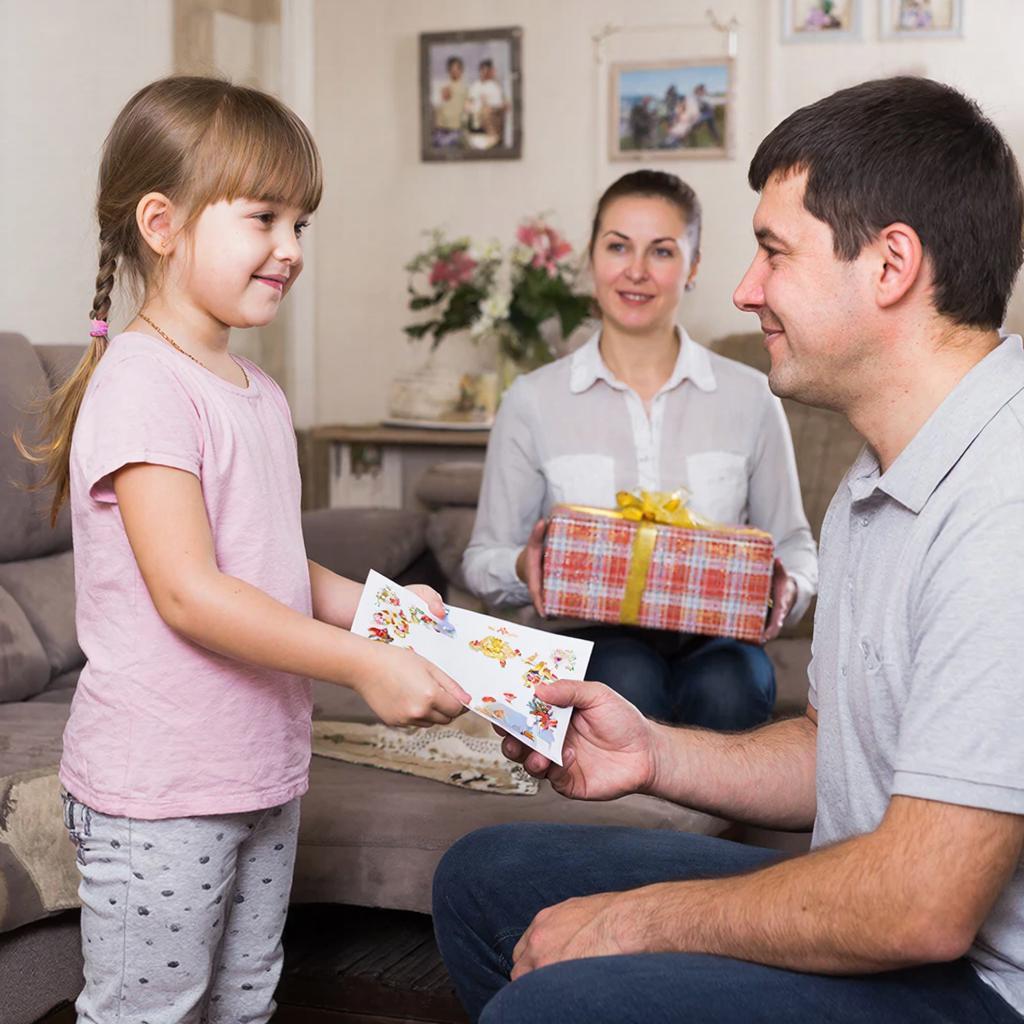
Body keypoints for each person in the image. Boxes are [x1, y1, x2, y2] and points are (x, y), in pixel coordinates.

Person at [435, 76, 1024, 1023]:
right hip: (879, 894)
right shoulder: (877, 479)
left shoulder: (1004, 497)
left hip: (980, 984)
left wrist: (635, 924)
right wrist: (652, 755)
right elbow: (841, 750)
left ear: (891, 265)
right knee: (485, 876)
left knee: (550, 1002)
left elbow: (923, 904)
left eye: (772, 253)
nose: (746, 291)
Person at [18, 76, 468, 1023]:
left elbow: (266, 566)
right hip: (161, 785)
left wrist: (386, 612)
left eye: (302, 223)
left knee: (244, 999)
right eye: (264, 217)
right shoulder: (142, 386)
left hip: (260, 764)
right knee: (152, 1011)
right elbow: (190, 594)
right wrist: (361, 665)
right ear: (161, 221)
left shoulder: (255, 391)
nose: (291, 249)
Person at [463, 169, 817, 730]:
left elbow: (796, 546)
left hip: (717, 639)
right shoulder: (532, 400)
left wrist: (788, 585)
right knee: (624, 679)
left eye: (662, 251)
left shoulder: (752, 396)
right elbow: (481, 558)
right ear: (591, 257)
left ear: (693, 266)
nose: (635, 271)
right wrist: (522, 565)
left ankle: (709, 816)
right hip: (589, 641)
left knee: (730, 683)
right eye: (618, 247)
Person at [466, 58, 507, 148]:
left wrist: (486, 107)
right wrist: (469, 107)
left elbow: (498, 105)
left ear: (490, 71)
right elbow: (469, 101)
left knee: (486, 111)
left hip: (490, 118)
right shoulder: (475, 85)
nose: (483, 72)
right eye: (481, 70)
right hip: (475, 119)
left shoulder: (494, 87)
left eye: (486, 70)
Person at [433, 55, 468, 148]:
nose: (454, 71)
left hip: (456, 131)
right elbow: (436, 104)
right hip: (440, 131)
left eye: (456, 68)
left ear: (461, 70)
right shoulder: (442, 85)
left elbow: (468, 107)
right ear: (448, 70)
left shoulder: (465, 88)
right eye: (451, 68)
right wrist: (442, 96)